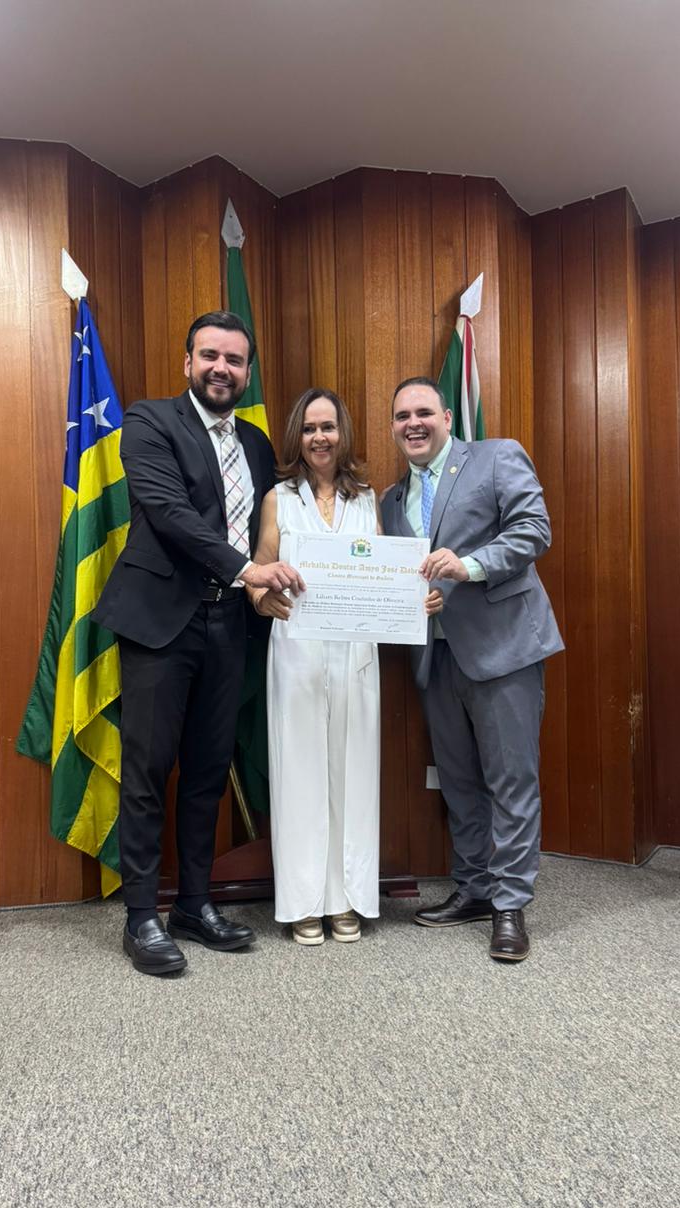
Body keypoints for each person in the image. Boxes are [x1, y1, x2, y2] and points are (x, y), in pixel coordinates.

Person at [93, 311, 304, 976]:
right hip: (163, 619)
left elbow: (277, 525)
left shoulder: (258, 444)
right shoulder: (149, 421)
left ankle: (193, 903)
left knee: (209, 772)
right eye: (210, 355)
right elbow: (170, 514)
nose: (221, 368)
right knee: (149, 771)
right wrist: (248, 571)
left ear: (247, 372)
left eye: (234, 360)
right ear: (188, 362)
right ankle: (141, 917)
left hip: (230, 623)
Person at [249, 387, 443, 944]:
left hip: (356, 655)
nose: (320, 437)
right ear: (298, 435)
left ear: (343, 434)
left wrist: (418, 600)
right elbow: (258, 573)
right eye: (310, 428)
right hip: (297, 651)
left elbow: (385, 577)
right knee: (300, 774)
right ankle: (305, 902)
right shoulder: (278, 499)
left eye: (328, 427)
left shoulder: (366, 499)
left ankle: (348, 898)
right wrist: (263, 599)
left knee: (354, 775)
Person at [380, 377, 563, 962]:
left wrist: (470, 566)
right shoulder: (389, 500)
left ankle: (510, 904)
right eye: (402, 416)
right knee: (458, 782)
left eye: (423, 412)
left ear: (446, 418)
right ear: (393, 427)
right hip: (435, 656)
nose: (413, 423)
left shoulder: (496, 457)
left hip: (504, 648)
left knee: (511, 780)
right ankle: (476, 888)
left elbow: (534, 530)